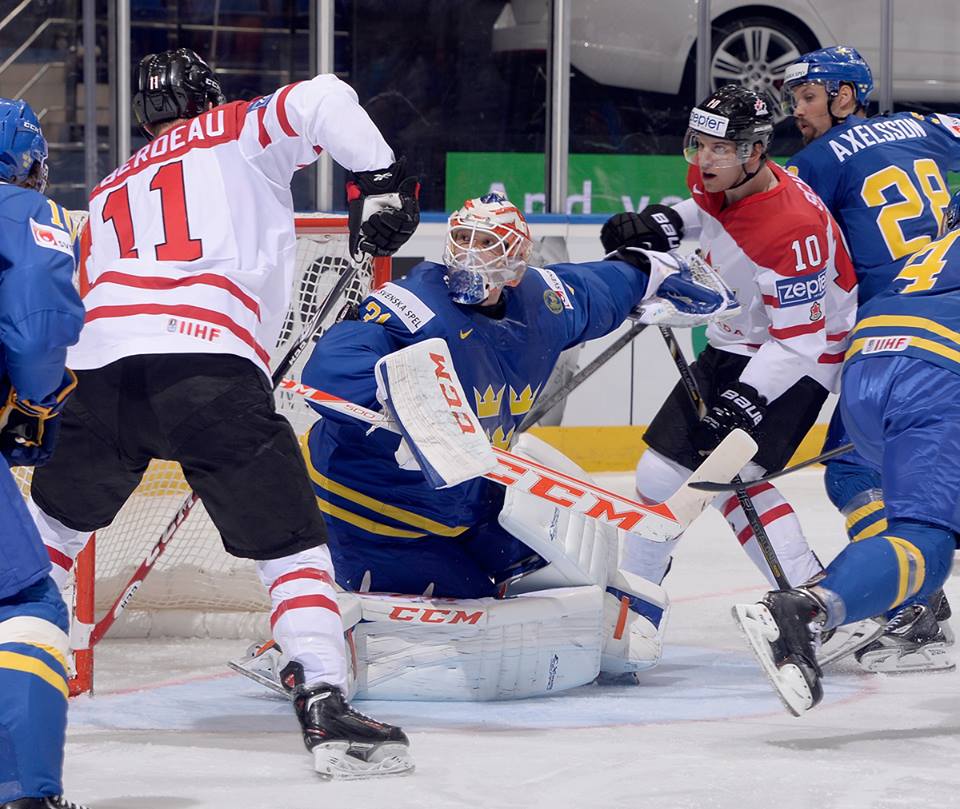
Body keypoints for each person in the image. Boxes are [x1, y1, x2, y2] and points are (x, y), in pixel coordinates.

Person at [27, 48, 419, 780]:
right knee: (292, 543)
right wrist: (385, 180)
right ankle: (325, 693)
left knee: (50, 535)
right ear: (207, 95)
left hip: (99, 372)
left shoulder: (111, 183)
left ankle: (13, 677)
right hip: (205, 365)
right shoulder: (237, 128)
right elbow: (325, 97)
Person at [264, 191, 737, 699]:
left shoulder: (544, 303)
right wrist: (397, 405)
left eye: (487, 243)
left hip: (468, 494)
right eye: (462, 238)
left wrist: (652, 270)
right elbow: (336, 359)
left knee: (562, 582)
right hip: (372, 507)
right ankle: (314, 640)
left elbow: (603, 287)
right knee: (487, 620)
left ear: (516, 266)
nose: (469, 253)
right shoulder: (413, 305)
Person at [601, 85, 858, 600]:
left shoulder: (793, 227)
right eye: (698, 143)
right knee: (658, 473)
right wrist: (669, 222)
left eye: (720, 147)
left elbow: (801, 340)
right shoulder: (714, 175)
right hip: (741, 339)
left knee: (731, 479)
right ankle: (633, 596)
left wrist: (748, 397)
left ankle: (813, 597)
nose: (704, 158)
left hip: (802, 356)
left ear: (755, 150)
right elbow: (709, 210)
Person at [734, 190, 960, 715]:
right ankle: (809, 609)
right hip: (937, 375)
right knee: (926, 543)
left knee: (853, 475)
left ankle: (883, 586)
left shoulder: (925, 256)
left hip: (867, 370)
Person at [782, 45, 960, 671]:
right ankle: (912, 602)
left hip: (896, 342)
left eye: (807, 97)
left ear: (846, 94)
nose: (798, 112)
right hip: (931, 329)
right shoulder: (926, 126)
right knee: (863, 475)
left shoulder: (813, 163)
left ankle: (914, 608)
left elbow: (776, 233)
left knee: (860, 475)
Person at [0, 98, 87, 809]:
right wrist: (33, 404)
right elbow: (34, 330)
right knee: (24, 605)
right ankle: (26, 794)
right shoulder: (25, 212)